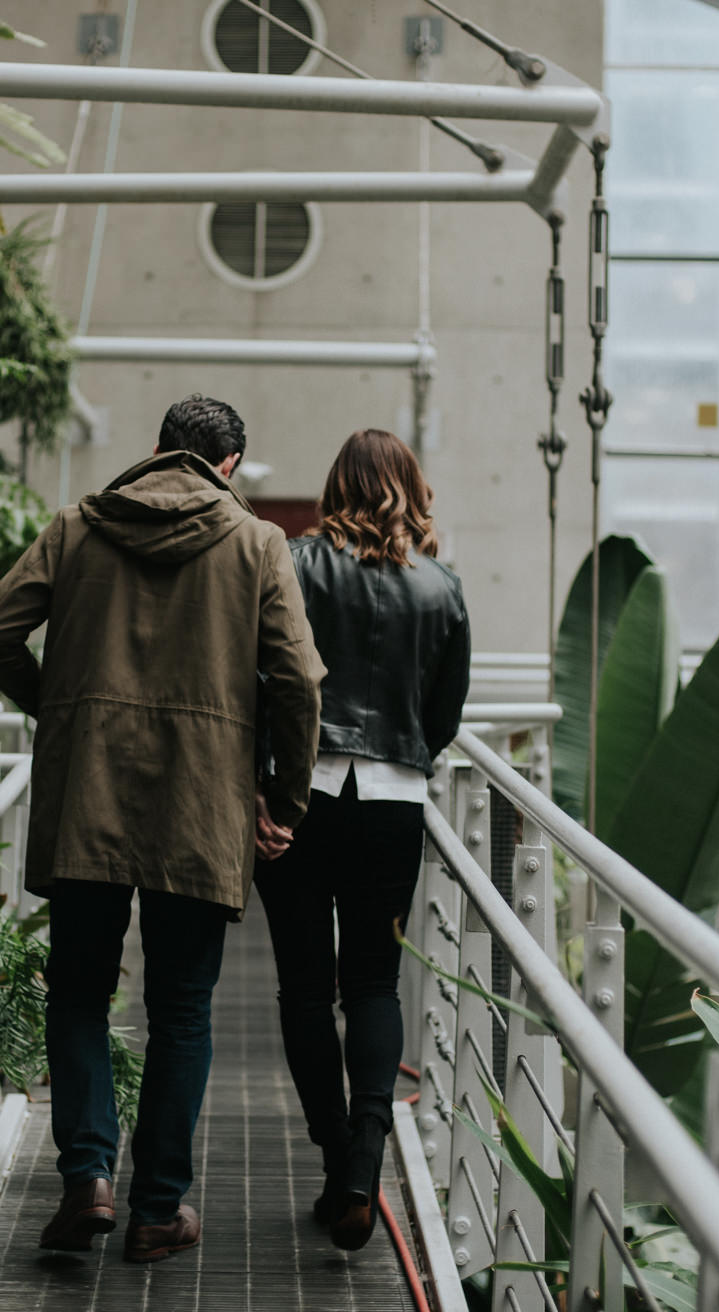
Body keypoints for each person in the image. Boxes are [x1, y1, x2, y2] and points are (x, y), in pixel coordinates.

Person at [0, 395, 324, 1265]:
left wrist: (59, 710)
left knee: (81, 992)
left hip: (87, 791)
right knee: (181, 1009)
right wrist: (283, 798)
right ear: (228, 466)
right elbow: (299, 681)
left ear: (158, 448)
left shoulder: (78, 526)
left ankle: (88, 1173)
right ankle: (158, 1208)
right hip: (200, 805)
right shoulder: (257, 543)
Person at [254, 428, 471, 1251]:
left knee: (305, 990)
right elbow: (443, 714)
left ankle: (337, 1159)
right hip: (393, 801)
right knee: (375, 983)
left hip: (303, 795)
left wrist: (261, 785)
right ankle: (365, 1160)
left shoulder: (298, 563)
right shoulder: (441, 586)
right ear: (411, 487)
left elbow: (265, 677)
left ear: (335, 485)